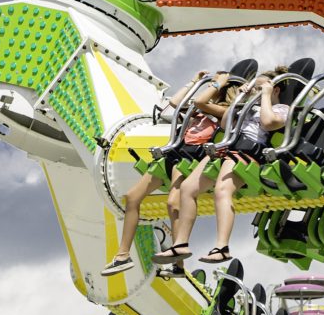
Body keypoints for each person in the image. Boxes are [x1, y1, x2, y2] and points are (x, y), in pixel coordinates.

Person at [101, 70, 227, 276]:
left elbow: (201, 102)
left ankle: (178, 263)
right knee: (132, 197)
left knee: (172, 203)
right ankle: (122, 256)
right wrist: (194, 80)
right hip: (173, 153)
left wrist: (218, 84)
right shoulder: (198, 111)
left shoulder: (226, 112)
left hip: (190, 157)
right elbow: (175, 104)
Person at [169, 69, 288, 265]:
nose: (256, 92)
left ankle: (222, 247)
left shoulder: (283, 108)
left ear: (275, 89)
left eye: (260, 88)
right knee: (188, 188)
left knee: (221, 191)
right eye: (255, 89)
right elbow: (225, 124)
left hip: (247, 151)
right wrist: (242, 98)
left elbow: (268, 123)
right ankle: (180, 244)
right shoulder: (247, 106)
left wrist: (265, 96)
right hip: (225, 147)